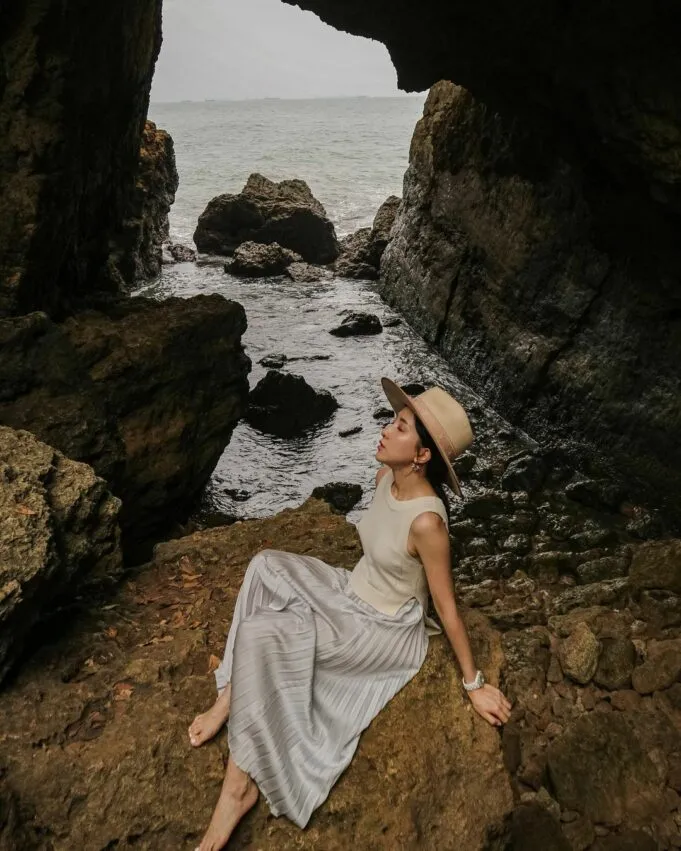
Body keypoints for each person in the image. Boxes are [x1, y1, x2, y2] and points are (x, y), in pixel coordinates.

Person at [188, 377, 512, 851]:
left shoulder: (428, 522)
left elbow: (446, 606)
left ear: (422, 456)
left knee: (265, 632)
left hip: (378, 626)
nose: (386, 430)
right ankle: (230, 698)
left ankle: (238, 788)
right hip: (348, 588)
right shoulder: (387, 477)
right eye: (393, 421)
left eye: (401, 428)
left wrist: (474, 684)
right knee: (264, 567)